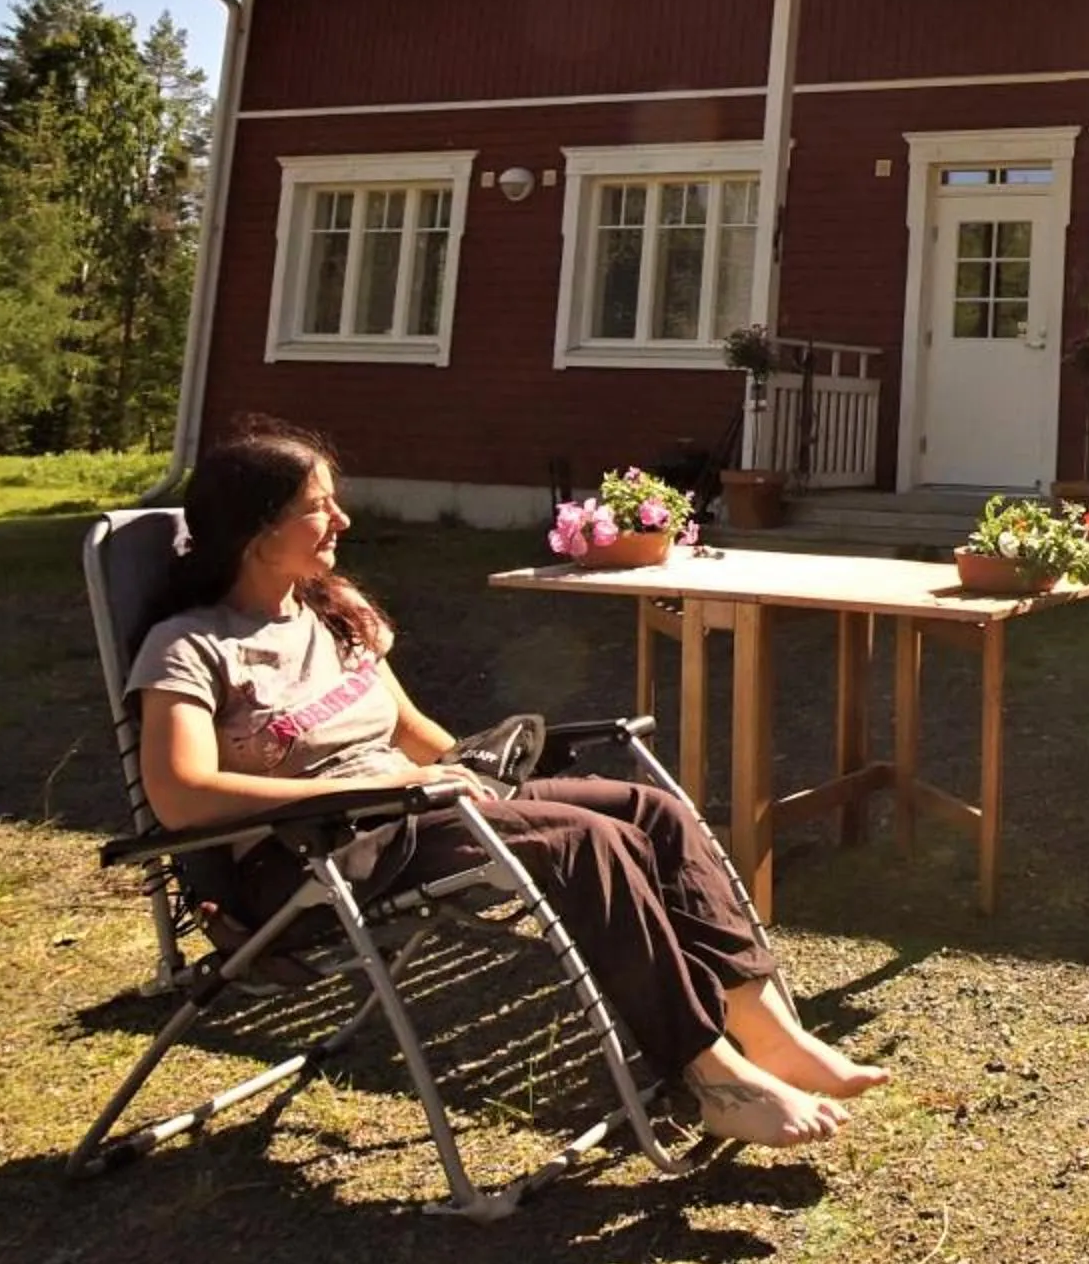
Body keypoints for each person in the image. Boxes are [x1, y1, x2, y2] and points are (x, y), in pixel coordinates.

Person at [127, 416, 886, 1149]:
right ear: (257, 534)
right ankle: (714, 1076)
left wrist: (469, 767)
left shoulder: (329, 612)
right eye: (318, 506)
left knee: (648, 811)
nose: (342, 520)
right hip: (315, 856)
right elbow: (182, 795)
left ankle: (771, 1035)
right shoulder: (191, 648)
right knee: (586, 843)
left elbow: (407, 729)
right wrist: (367, 796)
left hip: (411, 810)